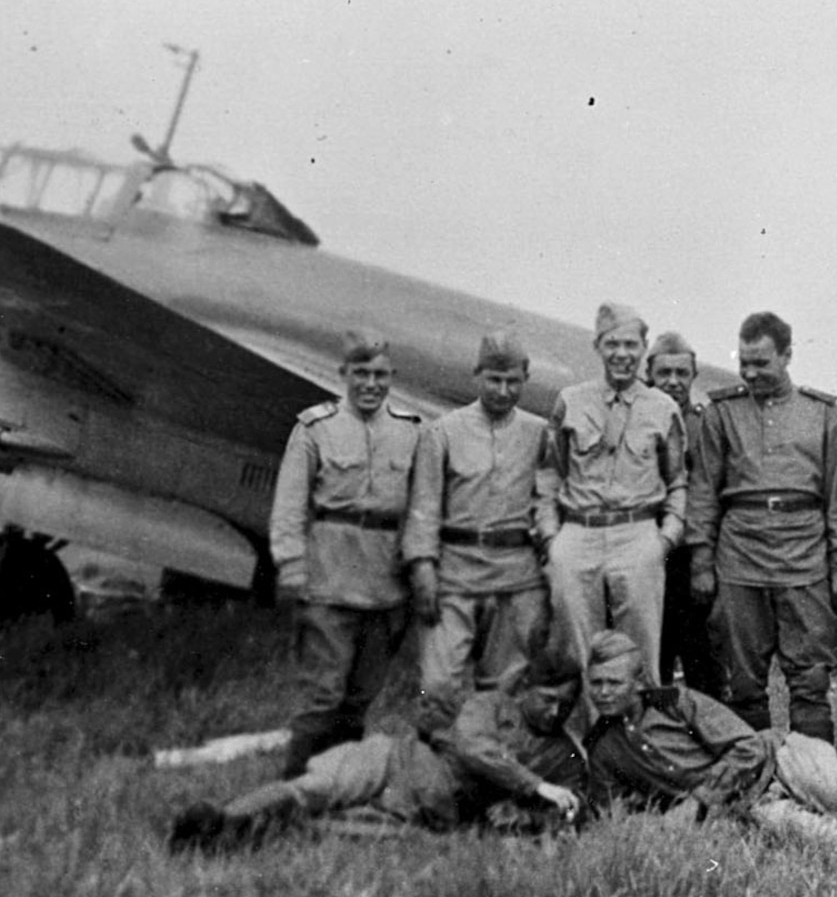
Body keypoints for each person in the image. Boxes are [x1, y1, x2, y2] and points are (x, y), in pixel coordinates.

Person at [581, 633, 837, 843]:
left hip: (782, 757)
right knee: (828, 840)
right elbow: (610, 814)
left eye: (612, 683)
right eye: (595, 683)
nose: (602, 693)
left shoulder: (676, 704)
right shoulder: (604, 748)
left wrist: (697, 800)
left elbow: (746, 746)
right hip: (749, 803)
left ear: (637, 682)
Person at [168, 651, 589, 853]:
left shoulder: (563, 755)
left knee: (323, 829)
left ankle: (241, 840)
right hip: (392, 760)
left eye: (565, 705)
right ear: (527, 689)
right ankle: (220, 822)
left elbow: (567, 808)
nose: (555, 712)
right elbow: (474, 747)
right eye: (547, 699)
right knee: (314, 788)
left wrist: (544, 812)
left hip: (426, 813)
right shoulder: (491, 705)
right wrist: (535, 785)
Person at [683, 311, 837, 742]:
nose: (750, 372)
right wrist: (701, 560)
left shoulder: (824, 417)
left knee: (811, 679)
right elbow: (704, 490)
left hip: (805, 556)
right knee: (742, 679)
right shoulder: (722, 414)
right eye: (744, 362)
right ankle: (754, 778)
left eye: (761, 362)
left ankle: (816, 779)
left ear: (787, 356)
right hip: (740, 554)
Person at [269, 330, 423, 778]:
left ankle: (340, 785)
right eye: (360, 374)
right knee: (322, 696)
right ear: (343, 375)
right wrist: (291, 567)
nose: (370, 384)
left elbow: (421, 506)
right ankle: (292, 790)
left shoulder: (411, 433)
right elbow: (289, 504)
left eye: (379, 374)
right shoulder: (315, 428)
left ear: (391, 377)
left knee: (360, 698)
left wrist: (417, 568)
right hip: (328, 580)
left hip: (385, 586)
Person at [402, 331, 550, 732]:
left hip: (516, 575)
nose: (503, 390)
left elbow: (550, 498)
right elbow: (424, 505)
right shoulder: (442, 432)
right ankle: (430, 772)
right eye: (493, 380)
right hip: (456, 572)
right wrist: (422, 566)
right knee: (437, 684)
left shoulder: (539, 433)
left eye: (512, 381)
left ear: (525, 379)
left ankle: (489, 775)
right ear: (476, 376)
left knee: (504, 687)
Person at [535, 302, 687, 683]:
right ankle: (584, 737)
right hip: (578, 533)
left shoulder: (663, 408)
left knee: (639, 654)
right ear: (598, 347)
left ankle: (639, 738)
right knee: (577, 651)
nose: (622, 355)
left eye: (631, 345)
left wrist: (666, 537)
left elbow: (677, 481)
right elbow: (551, 472)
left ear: (643, 349)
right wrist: (553, 537)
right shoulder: (572, 401)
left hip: (636, 534)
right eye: (612, 344)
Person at [644, 331, 723, 697]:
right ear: (650, 375)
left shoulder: (707, 426)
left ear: (693, 377)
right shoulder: (635, 421)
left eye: (681, 373)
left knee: (702, 663)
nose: (673, 382)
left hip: (693, 558)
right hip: (647, 552)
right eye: (664, 373)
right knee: (650, 659)